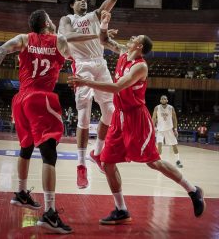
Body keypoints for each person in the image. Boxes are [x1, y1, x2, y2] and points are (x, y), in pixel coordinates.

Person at [68, 11, 206, 225]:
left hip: (136, 119)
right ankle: (121, 209)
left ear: (139, 47)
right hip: (119, 118)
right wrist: (103, 23)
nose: (130, 39)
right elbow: (103, 40)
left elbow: (116, 87)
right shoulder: (123, 52)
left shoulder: (140, 67)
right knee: (107, 162)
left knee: (153, 162)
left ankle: (193, 190)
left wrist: (86, 82)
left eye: (135, 39)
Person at [0, 9, 99, 234]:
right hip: (40, 98)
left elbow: (0, 50)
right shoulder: (58, 40)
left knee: (26, 147)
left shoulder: (24, 39)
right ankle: (49, 213)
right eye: (50, 19)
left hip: (21, 100)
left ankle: (21, 192)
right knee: (49, 154)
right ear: (47, 23)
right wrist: (97, 35)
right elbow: (75, 39)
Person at [59, 0, 118, 189]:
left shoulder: (95, 16)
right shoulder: (67, 19)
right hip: (81, 66)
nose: (83, 1)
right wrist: (97, 36)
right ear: (73, 5)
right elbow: (69, 37)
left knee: (111, 113)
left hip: (100, 65)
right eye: (79, 0)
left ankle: (98, 152)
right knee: (83, 116)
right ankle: (81, 165)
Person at [152, 95, 183, 168]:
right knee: (159, 145)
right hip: (160, 130)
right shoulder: (157, 108)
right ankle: (159, 161)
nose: (163, 100)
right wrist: (153, 127)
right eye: (162, 99)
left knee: (174, 145)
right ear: (160, 100)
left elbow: (174, 119)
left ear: (167, 100)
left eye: (165, 99)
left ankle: (178, 161)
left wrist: (175, 129)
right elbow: (153, 118)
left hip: (169, 129)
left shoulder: (171, 108)